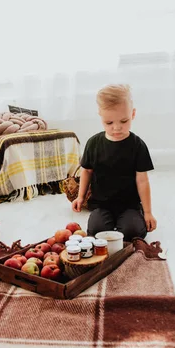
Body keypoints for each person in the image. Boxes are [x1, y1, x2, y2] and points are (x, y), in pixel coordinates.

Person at [71, 84, 157, 240]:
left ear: (133, 114)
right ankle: (106, 222)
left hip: (129, 205)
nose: (117, 128)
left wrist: (148, 212)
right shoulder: (93, 143)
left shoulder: (137, 146)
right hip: (101, 204)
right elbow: (87, 171)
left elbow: (142, 180)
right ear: (100, 116)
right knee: (97, 231)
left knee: (132, 233)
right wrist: (81, 197)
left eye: (124, 121)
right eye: (109, 123)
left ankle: (132, 219)